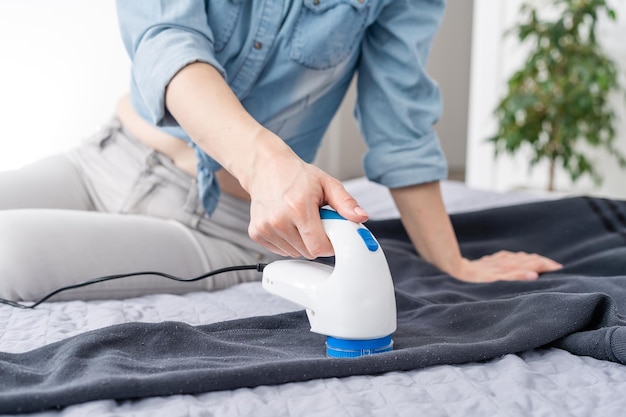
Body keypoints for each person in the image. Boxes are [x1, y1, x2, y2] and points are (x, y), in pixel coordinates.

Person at [0, 0, 562, 302]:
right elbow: (165, 41)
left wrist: (452, 262)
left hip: (218, 227)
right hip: (105, 157)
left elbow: (401, 123)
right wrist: (267, 162)